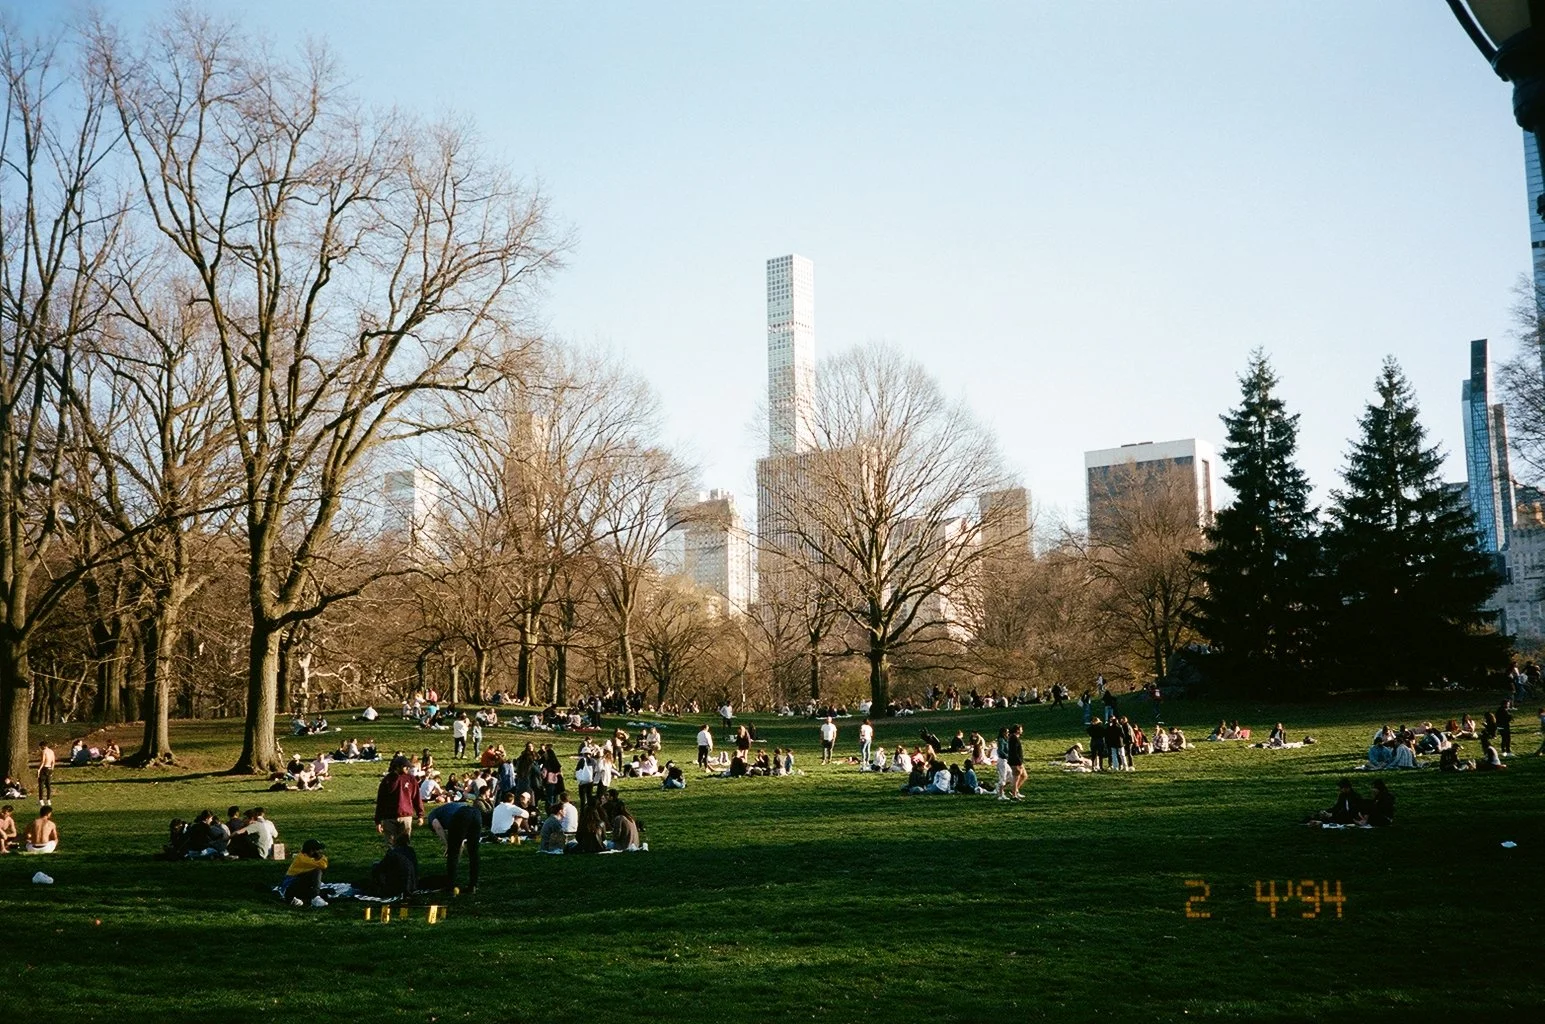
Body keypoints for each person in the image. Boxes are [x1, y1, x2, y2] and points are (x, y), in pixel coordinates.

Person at [428, 800, 481, 894]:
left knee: (453, 853)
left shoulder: (432, 815)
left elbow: (438, 827)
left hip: (461, 815)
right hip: (475, 813)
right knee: (474, 853)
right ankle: (473, 885)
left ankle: (451, 886)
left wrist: (448, 845)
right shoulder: (447, 809)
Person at [374, 755, 425, 845]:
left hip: (406, 816)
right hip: (389, 817)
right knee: (390, 845)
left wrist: (420, 815)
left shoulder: (411, 780)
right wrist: (378, 821)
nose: (408, 768)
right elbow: (381, 801)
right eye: (405, 766)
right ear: (397, 767)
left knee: (405, 844)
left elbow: (416, 798)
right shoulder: (387, 780)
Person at [366, 831, 418, 900]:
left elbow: (381, 867)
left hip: (397, 887)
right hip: (412, 885)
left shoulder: (393, 853)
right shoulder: (411, 851)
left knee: (376, 867)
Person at [283, 839, 329, 907]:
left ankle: (311, 897)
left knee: (325, 892)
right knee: (317, 871)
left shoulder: (304, 857)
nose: (319, 852)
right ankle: (315, 897)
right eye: (317, 850)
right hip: (290, 887)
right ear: (311, 851)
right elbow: (323, 865)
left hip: (295, 886)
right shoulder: (303, 859)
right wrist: (320, 857)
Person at [1006, 724, 1026, 799]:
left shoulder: (1015, 738)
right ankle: (1014, 794)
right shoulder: (1013, 738)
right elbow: (1014, 752)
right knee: (1015, 778)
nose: (1022, 730)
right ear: (1017, 730)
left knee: (1024, 776)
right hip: (1015, 762)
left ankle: (1015, 790)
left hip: (1018, 761)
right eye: (1021, 729)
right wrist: (1019, 762)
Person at [35, 741, 55, 805]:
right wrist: (52, 769)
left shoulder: (44, 751)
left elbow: (43, 761)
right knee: (48, 785)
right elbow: (53, 762)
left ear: (43, 746)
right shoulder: (51, 751)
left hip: (44, 768)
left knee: (41, 784)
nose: (40, 748)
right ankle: (48, 800)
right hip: (49, 768)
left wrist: (39, 769)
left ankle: (41, 800)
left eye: (40, 747)